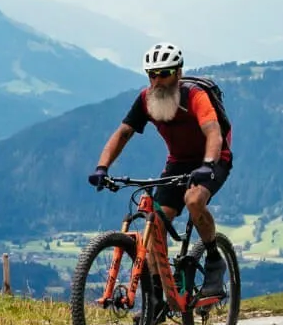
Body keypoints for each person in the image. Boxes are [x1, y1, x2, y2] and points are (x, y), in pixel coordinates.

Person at [90, 44, 230, 256]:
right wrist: (102, 167)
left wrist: (208, 163)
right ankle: (157, 287)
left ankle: (213, 257)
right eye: (152, 75)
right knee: (156, 224)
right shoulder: (146, 100)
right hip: (178, 161)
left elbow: (213, 132)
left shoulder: (194, 97)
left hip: (213, 158)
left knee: (193, 200)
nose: (157, 81)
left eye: (164, 74)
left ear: (179, 73)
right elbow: (122, 134)